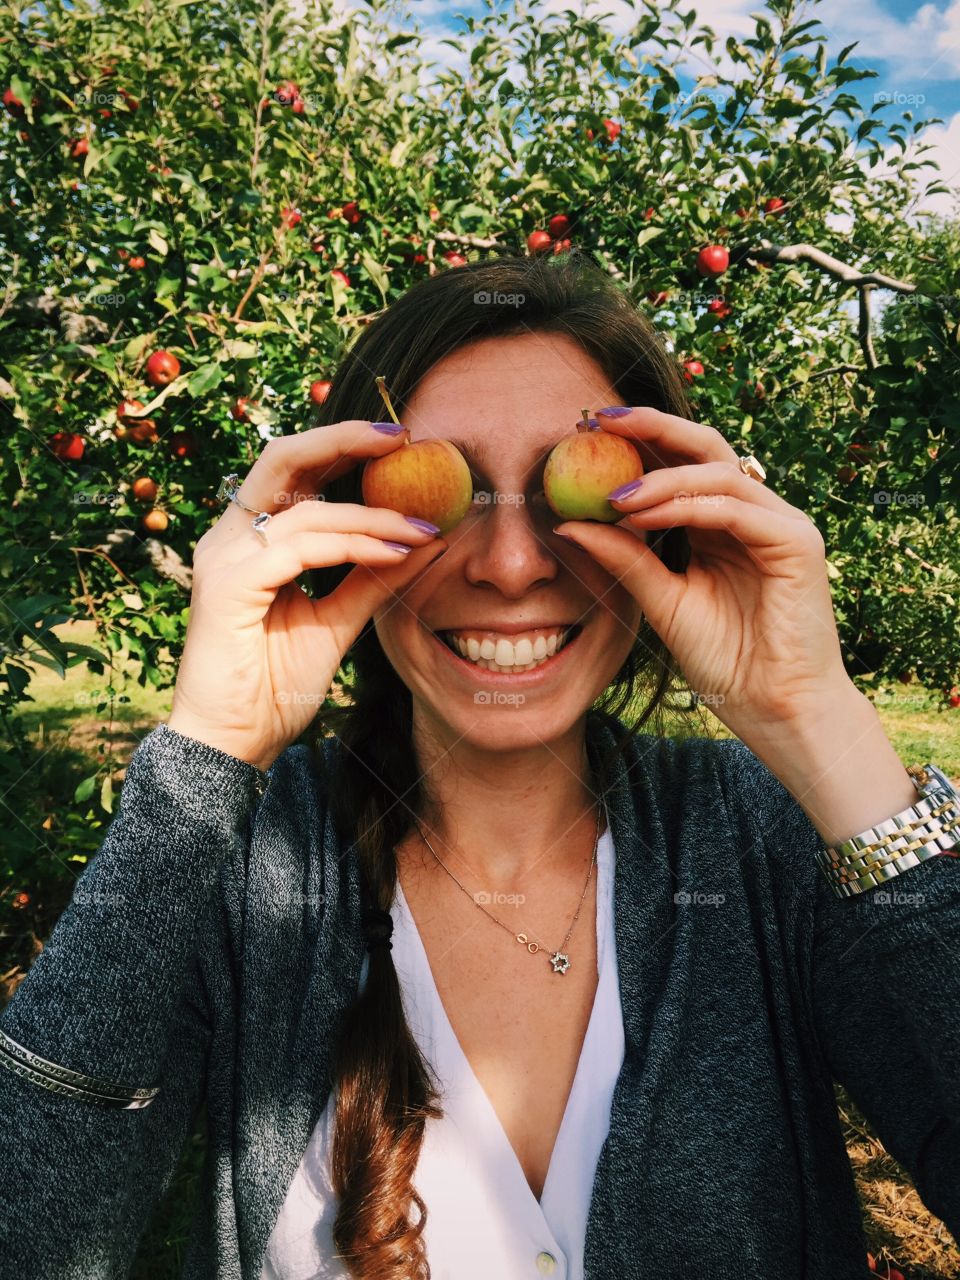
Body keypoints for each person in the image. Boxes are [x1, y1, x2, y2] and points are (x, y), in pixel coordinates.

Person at [1, 252, 958, 1280]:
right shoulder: (242, 858)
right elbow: (36, 1235)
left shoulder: (757, 838)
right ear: (348, 521)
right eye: (447, 491)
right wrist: (206, 749)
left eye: (569, 488)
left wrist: (826, 730)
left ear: (675, 516)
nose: (511, 564)